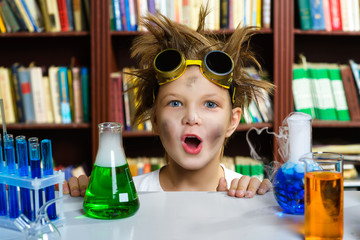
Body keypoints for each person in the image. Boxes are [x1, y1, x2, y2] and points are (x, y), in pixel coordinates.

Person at [64, 6, 274, 198]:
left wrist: (257, 204)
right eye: (175, 103)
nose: (191, 117)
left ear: (233, 121)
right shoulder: (126, 197)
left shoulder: (246, 195)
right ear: (154, 119)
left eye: (210, 104)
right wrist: (79, 201)